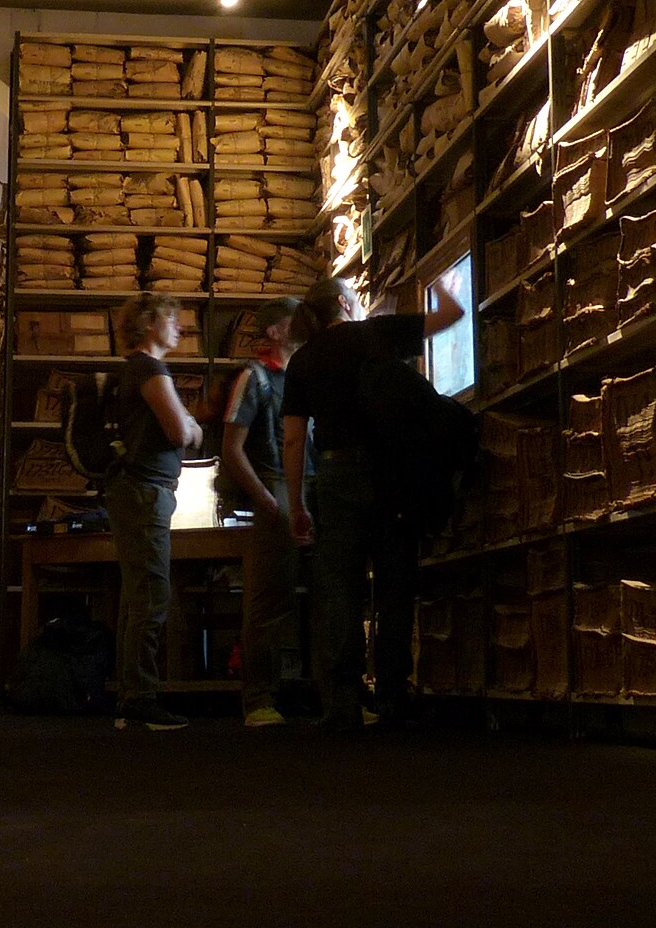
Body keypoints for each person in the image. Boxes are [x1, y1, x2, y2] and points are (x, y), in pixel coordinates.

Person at [280, 275, 463, 730]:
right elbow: (451, 315)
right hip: (389, 473)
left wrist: (296, 504)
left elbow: (293, 439)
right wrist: (438, 281)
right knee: (394, 583)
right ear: (345, 303)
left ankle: (343, 701)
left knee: (340, 589)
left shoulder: (302, 360)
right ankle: (392, 697)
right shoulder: (375, 333)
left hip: (335, 476)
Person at [103, 290, 200, 731]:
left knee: (138, 594)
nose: (179, 326)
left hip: (136, 491)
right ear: (147, 324)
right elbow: (180, 432)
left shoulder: (136, 369)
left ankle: (132, 696)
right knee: (151, 595)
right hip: (145, 492)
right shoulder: (149, 369)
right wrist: (193, 426)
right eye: (170, 318)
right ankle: (140, 698)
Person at [213, 295, 302, 728]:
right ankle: (258, 699)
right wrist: (266, 499)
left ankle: (329, 696)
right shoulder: (255, 377)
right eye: (296, 320)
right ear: (275, 331)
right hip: (276, 486)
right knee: (268, 599)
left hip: (299, 487)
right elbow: (231, 449)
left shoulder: (300, 376)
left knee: (316, 595)